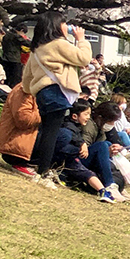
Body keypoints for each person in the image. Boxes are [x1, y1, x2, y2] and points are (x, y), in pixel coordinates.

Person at [21, 11, 92, 188]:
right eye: (63, 23)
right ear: (56, 26)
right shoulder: (58, 44)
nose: (66, 26)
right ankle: (42, 171)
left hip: (42, 93)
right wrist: (81, 39)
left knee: (46, 131)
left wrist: (33, 91)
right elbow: (84, 58)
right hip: (56, 92)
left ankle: (39, 165)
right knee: (51, 133)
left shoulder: (37, 48)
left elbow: (27, 78)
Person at [53, 102, 127, 202]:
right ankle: (110, 185)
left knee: (107, 144)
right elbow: (84, 150)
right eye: (111, 121)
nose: (112, 125)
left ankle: (114, 184)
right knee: (103, 145)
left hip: (83, 158)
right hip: (77, 159)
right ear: (101, 118)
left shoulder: (100, 127)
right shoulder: (89, 127)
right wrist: (105, 150)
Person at [0, 83, 39, 177]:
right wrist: (47, 112)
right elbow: (23, 120)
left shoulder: (40, 90)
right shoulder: (24, 90)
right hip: (15, 150)